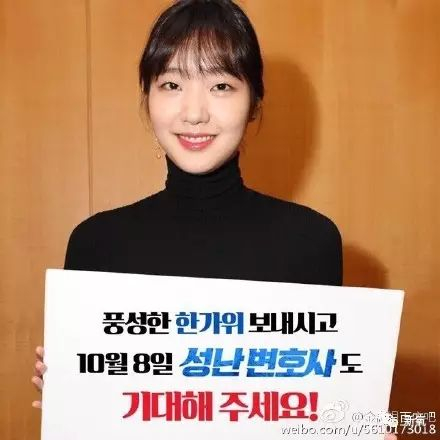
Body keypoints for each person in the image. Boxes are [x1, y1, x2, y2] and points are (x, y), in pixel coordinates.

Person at [31, 1, 397, 438]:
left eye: (221, 85)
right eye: (171, 84)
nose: (194, 113)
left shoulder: (310, 241)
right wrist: (75, 400)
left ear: (254, 101)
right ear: (147, 97)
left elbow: (310, 406)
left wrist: (353, 423)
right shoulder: (96, 243)